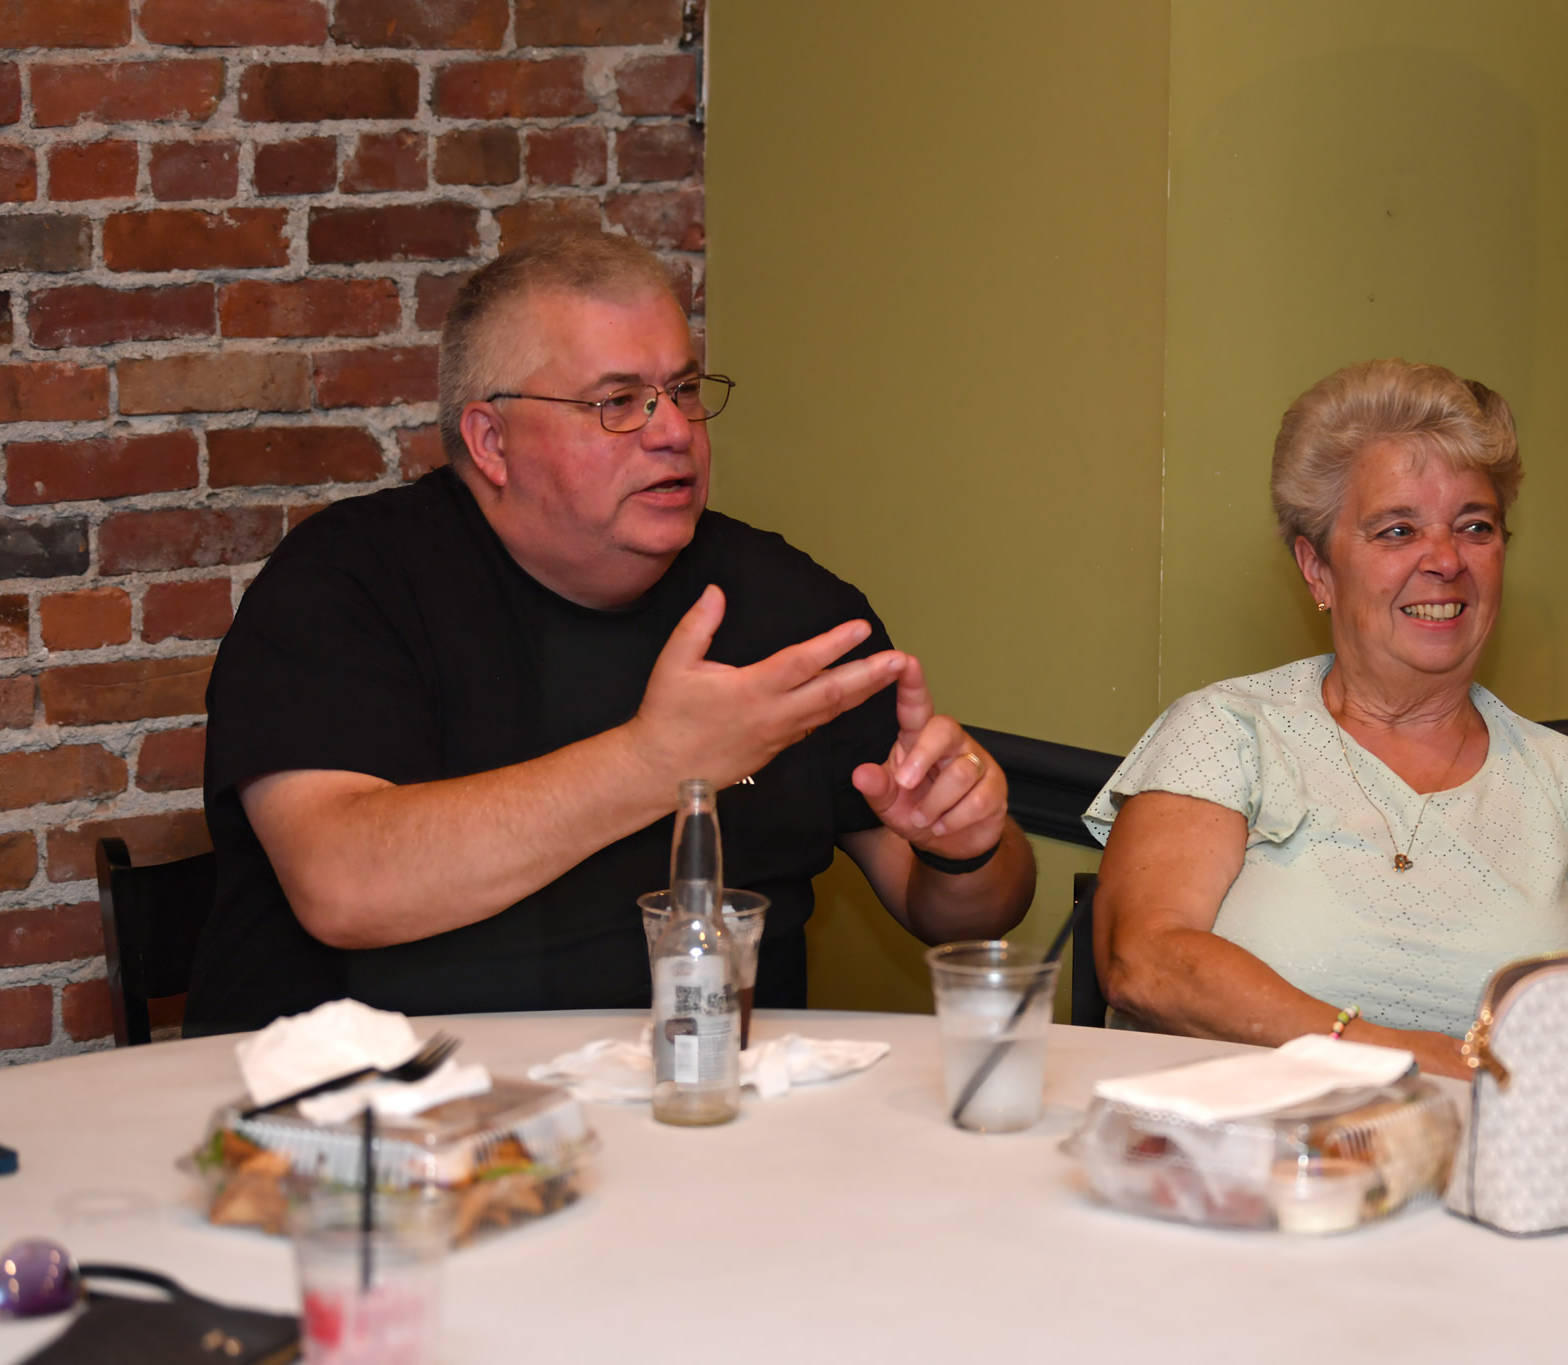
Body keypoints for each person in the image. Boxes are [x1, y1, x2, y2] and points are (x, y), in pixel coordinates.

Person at [185, 231, 1035, 1031]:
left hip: (724, 1107)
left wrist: (966, 847)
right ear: (491, 441)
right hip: (391, 1110)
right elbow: (343, 884)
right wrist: (654, 762)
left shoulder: (786, 604)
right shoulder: (348, 584)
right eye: (619, 402)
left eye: (685, 391)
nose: (673, 432)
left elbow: (958, 907)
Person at [1082, 358, 1568, 1076]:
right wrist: (1403, 1056)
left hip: (1502, 1150)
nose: (1446, 560)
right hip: (1239, 1144)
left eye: (1475, 526)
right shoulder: (1227, 730)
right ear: (1317, 569)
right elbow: (1146, 961)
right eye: (1398, 531)